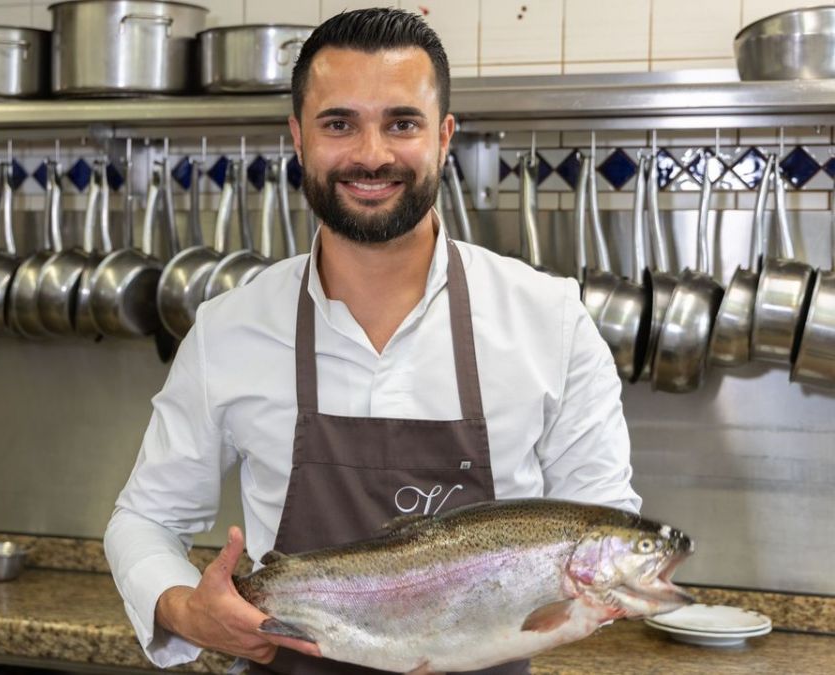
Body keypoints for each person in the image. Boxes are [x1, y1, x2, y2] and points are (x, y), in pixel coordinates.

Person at [104, 8, 640, 675]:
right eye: (339, 123)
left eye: (402, 122)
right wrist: (187, 608)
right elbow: (144, 519)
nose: (371, 154)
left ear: (444, 137)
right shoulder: (230, 329)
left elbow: (603, 526)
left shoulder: (550, 321)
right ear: (298, 138)